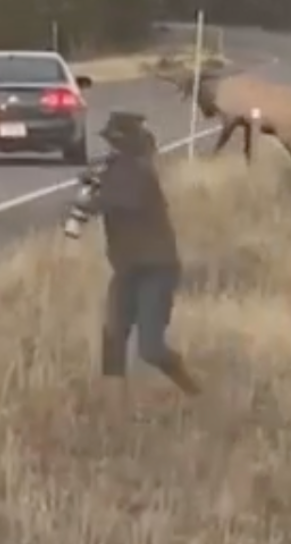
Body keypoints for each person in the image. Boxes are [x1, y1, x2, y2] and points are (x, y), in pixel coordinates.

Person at [78, 112, 201, 402]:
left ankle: (194, 391)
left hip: (156, 269)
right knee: (112, 336)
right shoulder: (118, 168)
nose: (110, 147)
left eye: (114, 142)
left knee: (151, 349)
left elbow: (122, 201)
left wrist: (90, 199)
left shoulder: (140, 171)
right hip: (127, 267)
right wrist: (93, 184)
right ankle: (114, 414)